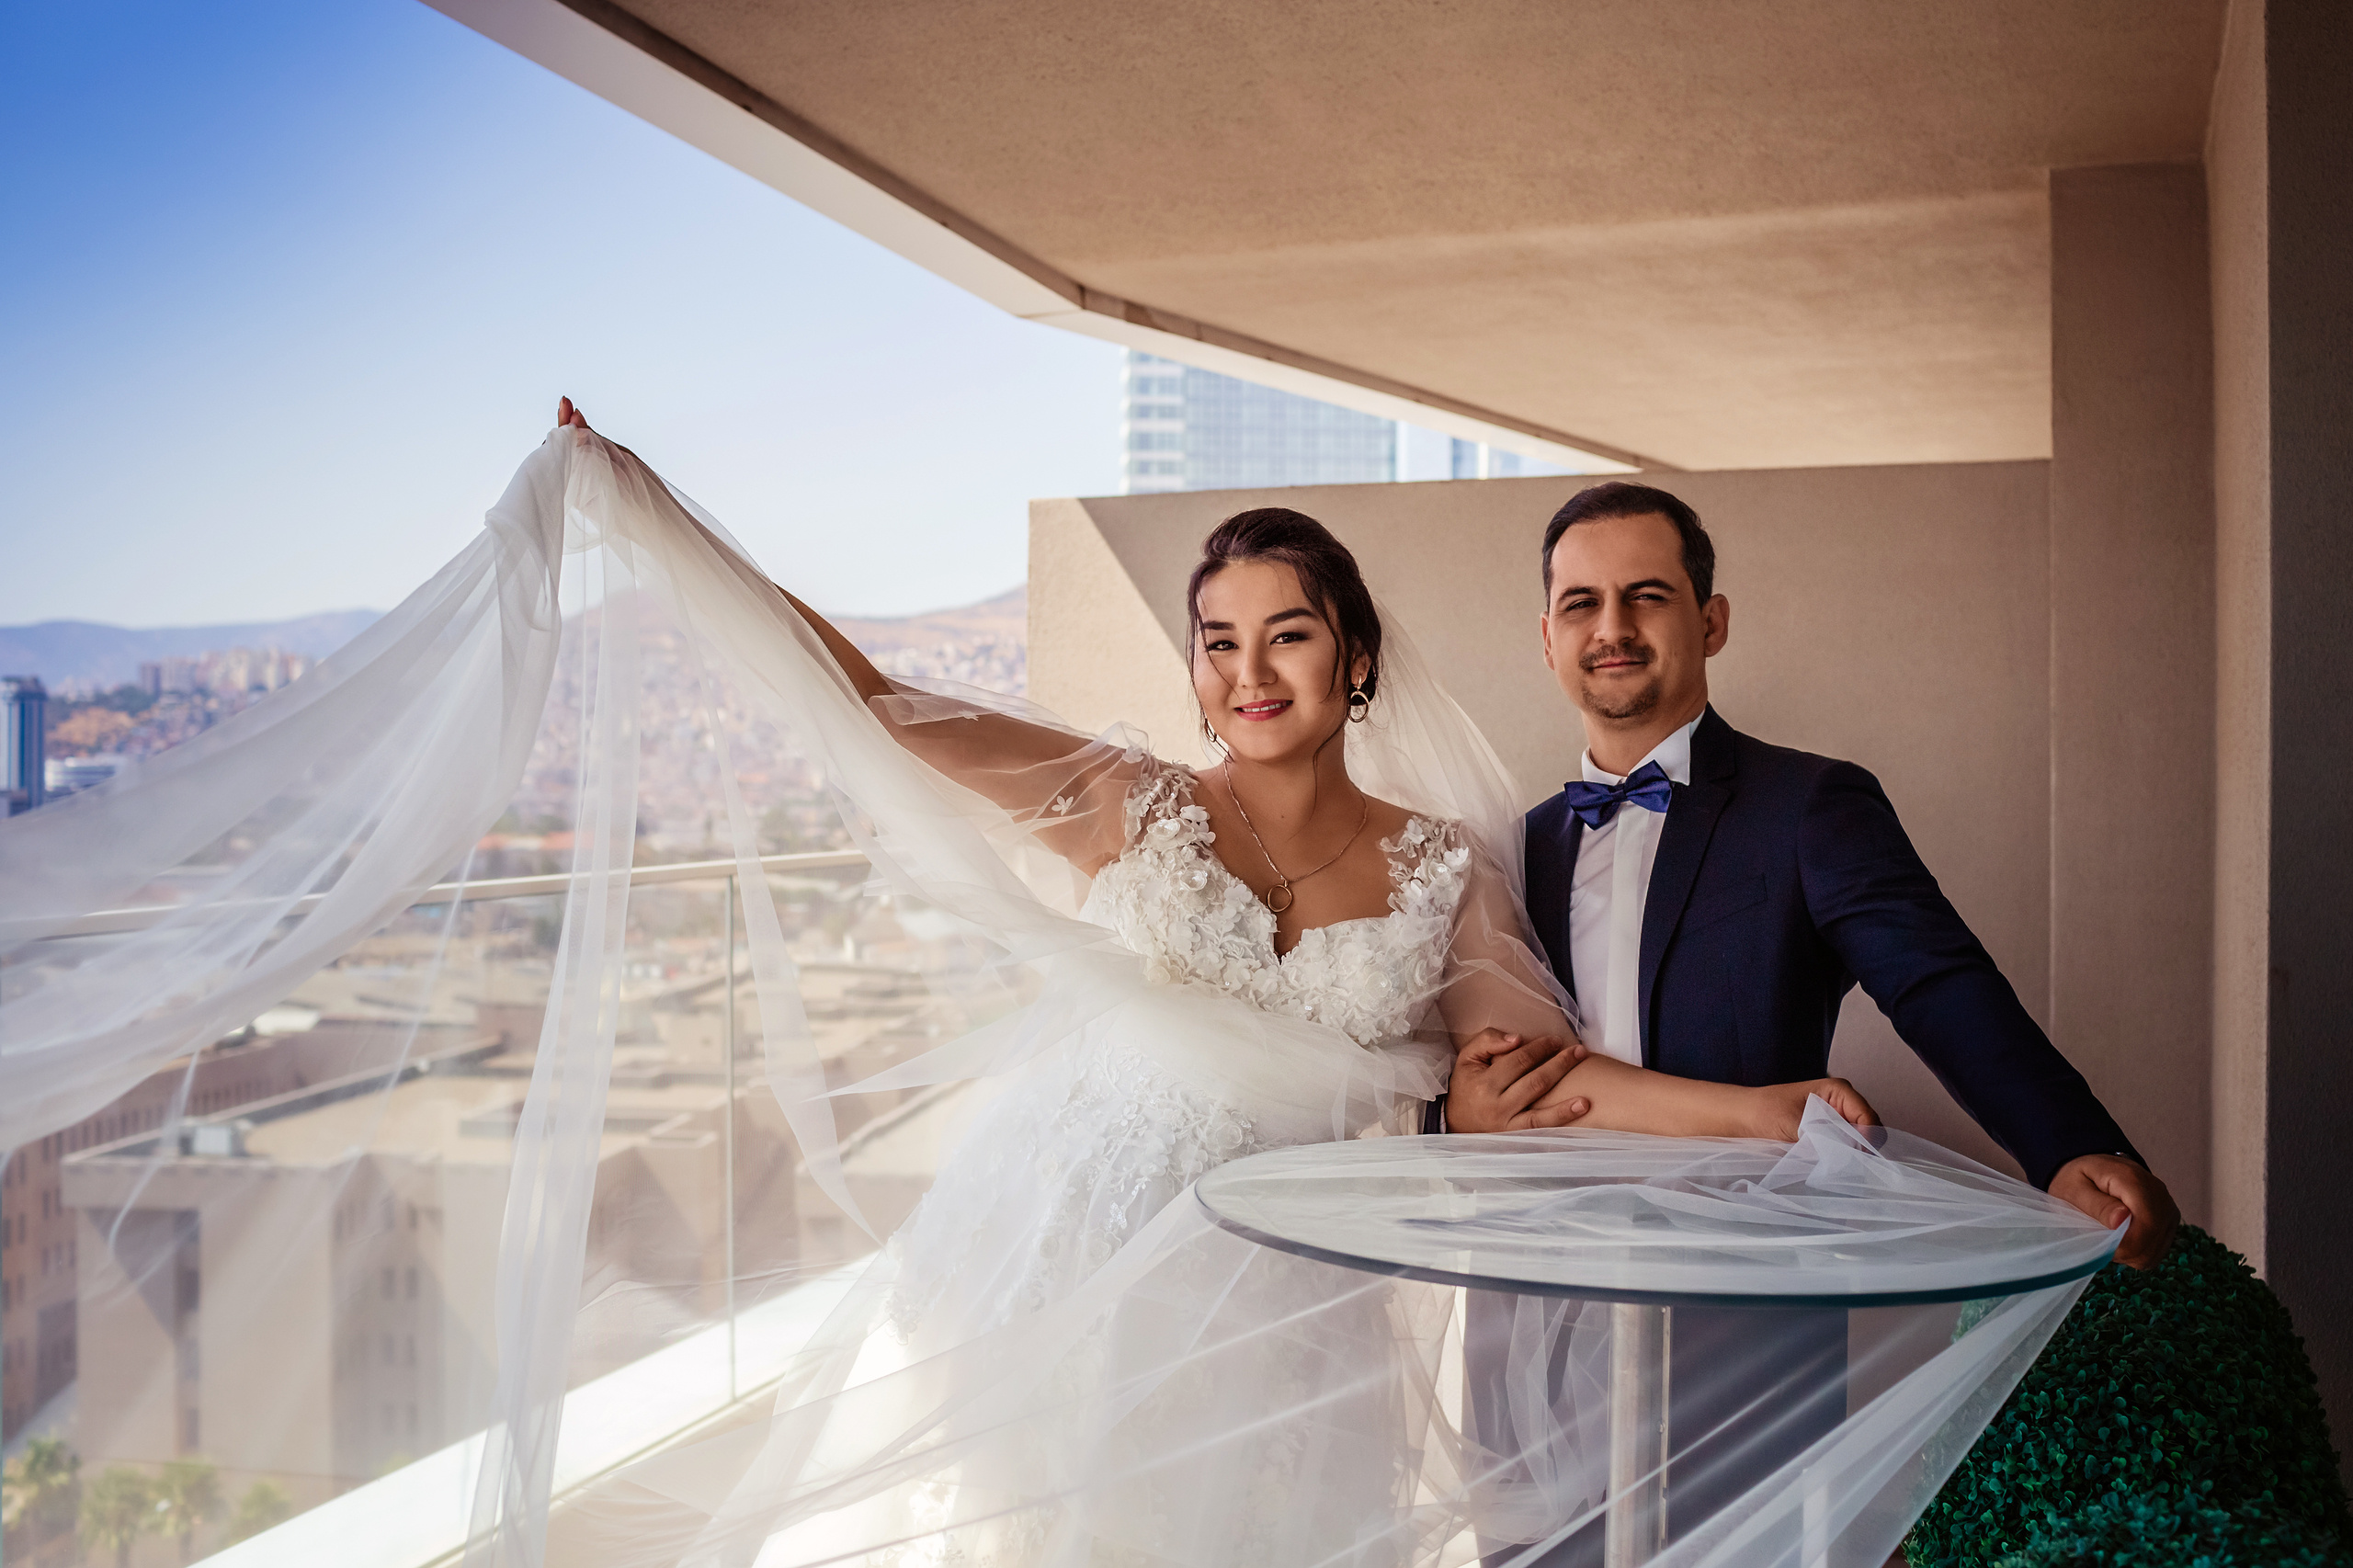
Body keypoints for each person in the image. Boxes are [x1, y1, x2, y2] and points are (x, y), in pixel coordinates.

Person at [548, 403, 1879, 1564]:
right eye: (1218, 641)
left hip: (1291, 1314)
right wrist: (662, 519)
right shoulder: (1128, 804)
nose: (1249, 673)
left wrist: (1765, 1109)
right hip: (1079, 1266)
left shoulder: (1442, 870)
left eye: (1286, 635)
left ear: (1354, 657)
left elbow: (1543, 1084)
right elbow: (879, 703)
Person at [1445, 479, 2180, 1558]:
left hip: (1744, 1298)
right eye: (1580, 604)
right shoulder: (1513, 848)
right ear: (1546, 637)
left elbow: (1935, 981)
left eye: (1645, 596)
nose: (1610, 628)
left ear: (1711, 620)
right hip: (1539, 1307)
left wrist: (2067, 1142)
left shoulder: (1812, 805)